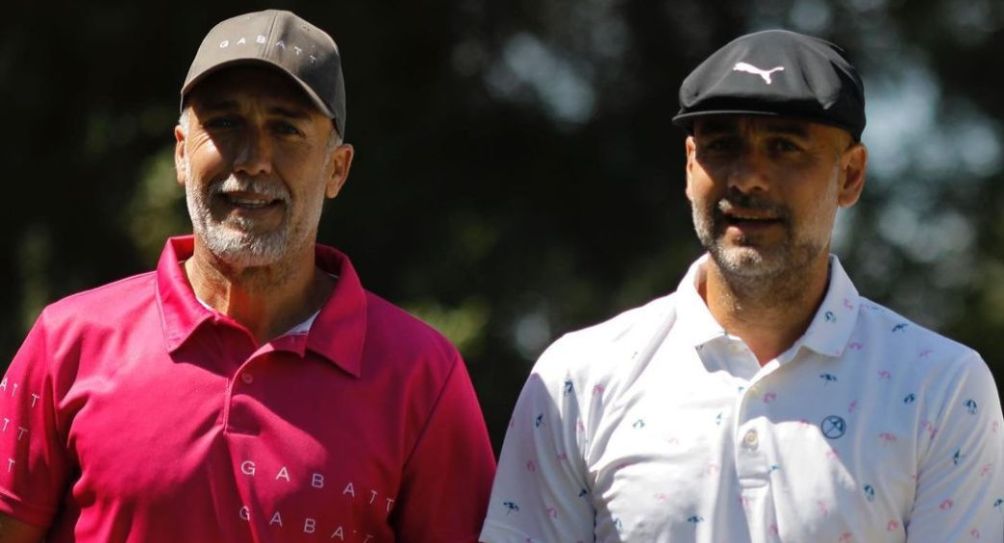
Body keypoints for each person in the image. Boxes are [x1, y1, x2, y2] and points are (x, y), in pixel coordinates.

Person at [481, 29, 1003, 542]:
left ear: (850, 175)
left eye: (785, 147)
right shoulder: (578, 377)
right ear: (689, 165)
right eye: (722, 144)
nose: (748, 177)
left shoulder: (941, 387)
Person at [0, 9, 495, 542]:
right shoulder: (68, 341)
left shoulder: (422, 374)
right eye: (225, 123)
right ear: (181, 153)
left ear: (337, 170)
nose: (254, 159)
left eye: (286, 129)